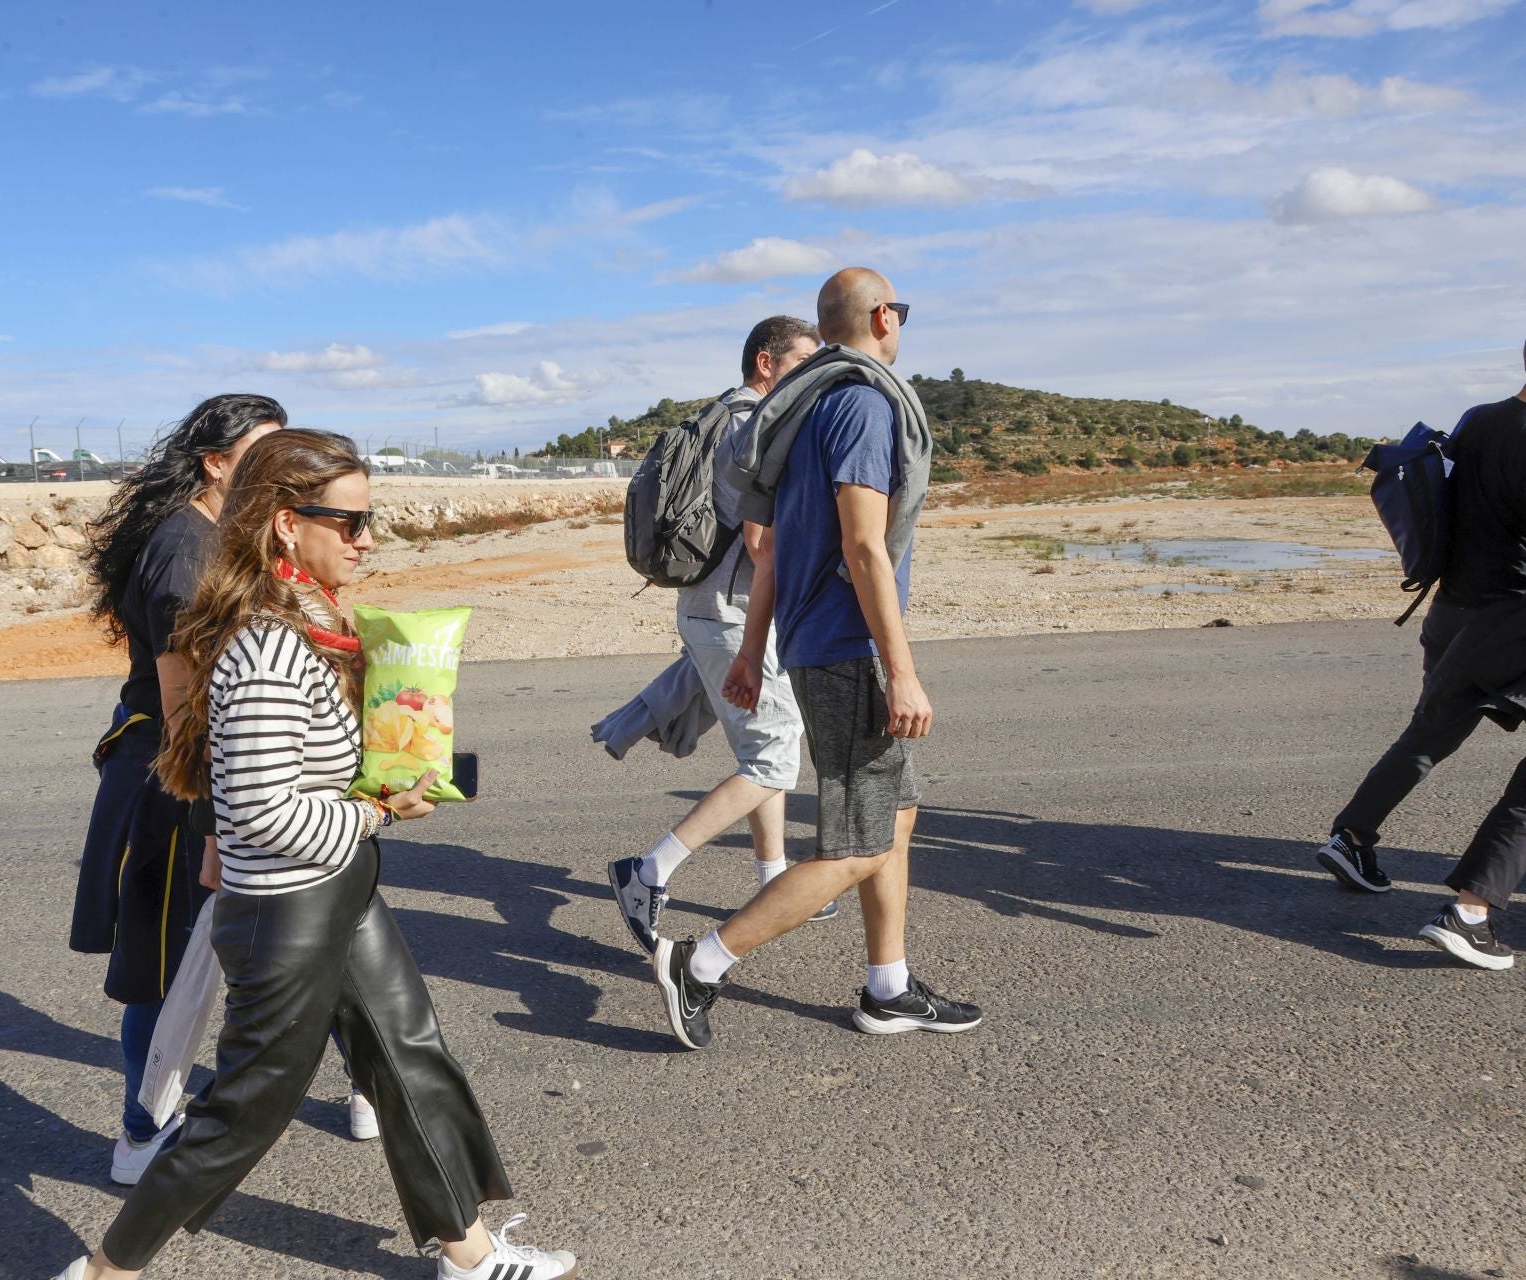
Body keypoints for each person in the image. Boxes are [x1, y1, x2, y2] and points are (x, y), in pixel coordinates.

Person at [50, 430, 574, 1280]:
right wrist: (378, 810)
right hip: (288, 906)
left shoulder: (315, 619)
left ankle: (470, 1256)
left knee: (410, 1058)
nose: (367, 539)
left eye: (370, 520)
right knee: (242, 1112)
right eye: (350, 522)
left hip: (337, 889)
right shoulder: (267, 645)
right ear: (286, 526)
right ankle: (106, 1273)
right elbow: (263, 810)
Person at [653, 266, 983, 1049]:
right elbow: (865, 547)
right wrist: (901, 669)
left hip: (812, 640)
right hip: (850, 647)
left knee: (895, 818)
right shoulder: (864, 406)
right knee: (858, 843)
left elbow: (770, 552)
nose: (901, 320)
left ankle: (888, 987)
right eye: (898, 308)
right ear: (879, 318)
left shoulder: (799, 411)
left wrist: (755, 650)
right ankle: (699, 965)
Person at [71, 394, 288, 1183]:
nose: (277, 465)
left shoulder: (228, 537)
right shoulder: (184, 553)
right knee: (168, 973)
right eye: (261, 451)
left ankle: (371, 1082)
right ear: (217, 462)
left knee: (299, 941)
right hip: (180, 780)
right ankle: (141, 1131)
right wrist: (217, 826)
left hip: (215, 772)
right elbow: (183, 712)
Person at [606, 316, 824, 954]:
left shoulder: (718, 417)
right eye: (802, 362)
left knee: (767, 751)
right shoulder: (754, 428)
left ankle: (773, 880)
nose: (809, 375)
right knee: (773, 756)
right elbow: (760, 540)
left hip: (709, 608)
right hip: (733, 615)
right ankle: (649, 871)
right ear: (766, 363)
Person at [1316, 346, 1526, 970]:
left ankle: (1351, 837)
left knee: (1427, 736)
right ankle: (1471, 910)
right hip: (1515, 617)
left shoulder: (1479, 418)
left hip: (1454, 610)